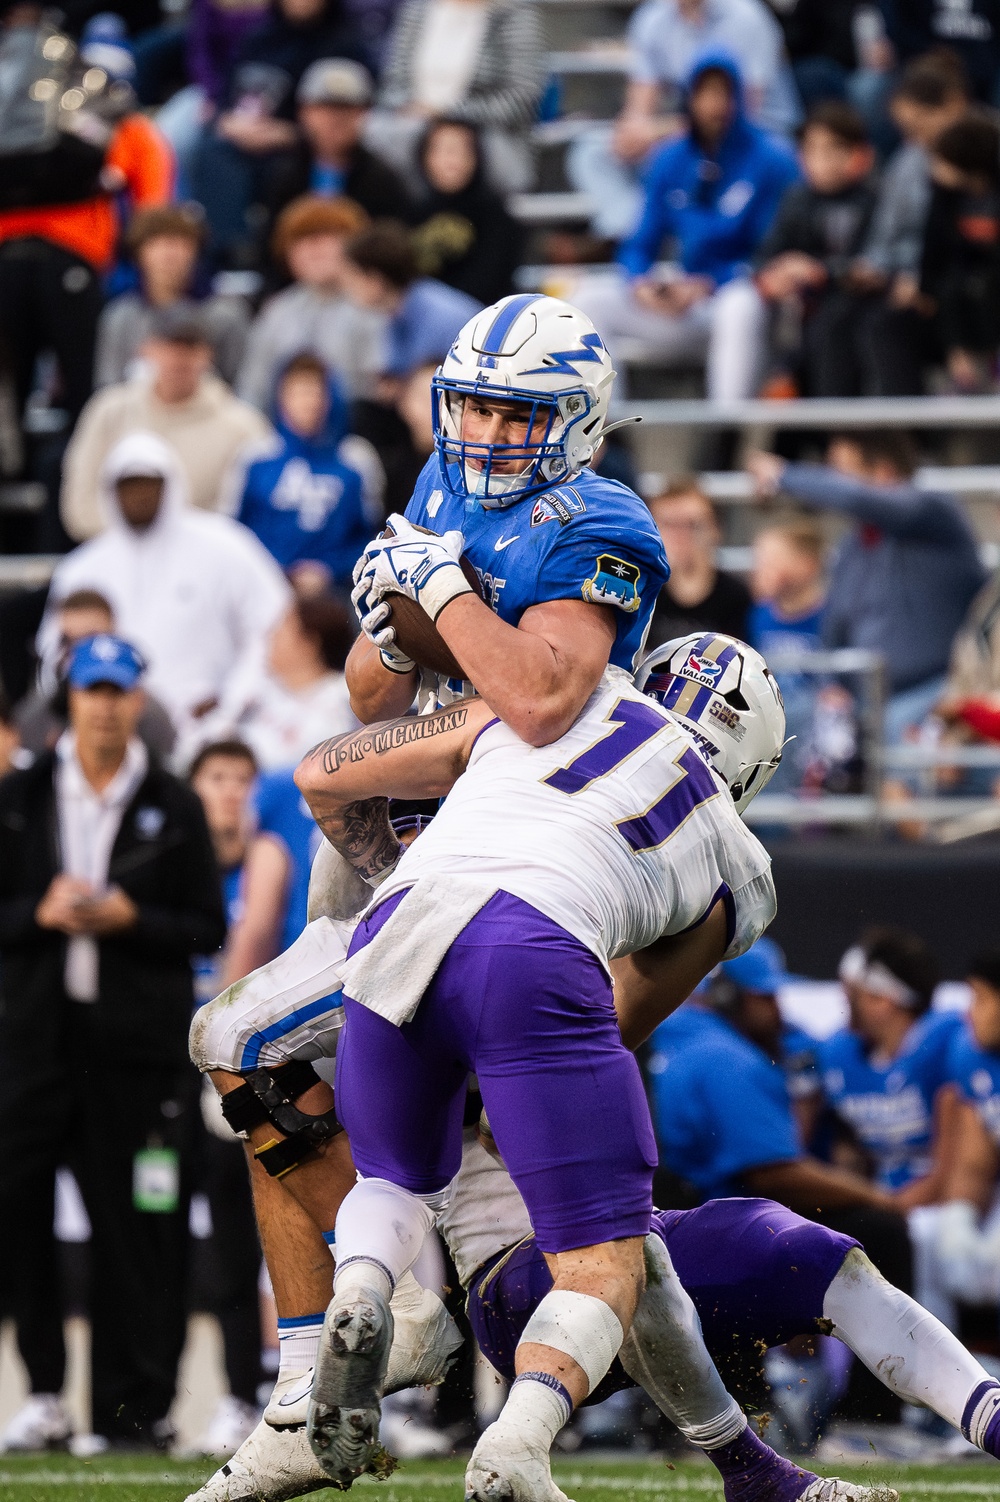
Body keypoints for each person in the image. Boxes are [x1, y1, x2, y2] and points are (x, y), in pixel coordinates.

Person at [192, 635, 788, 1500]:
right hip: (527, 970)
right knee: (615, 1257)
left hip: (394, 947)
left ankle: (355, 1321)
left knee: (294, 1098)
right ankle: (530, 1434)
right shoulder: (730, 847)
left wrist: (405, 879)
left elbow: (325, 767)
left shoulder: (550, 706)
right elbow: (617, 1015)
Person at [0, 633, 225, 1452]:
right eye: (90, 689)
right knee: (19, 1218)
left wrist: (134, 920)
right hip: (34, 1047)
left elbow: (207, 922)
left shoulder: (172, 797)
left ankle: (135, 1408)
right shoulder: (20, 798)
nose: (103, 705)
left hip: (135, 1057)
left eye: (117, 690)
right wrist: (37, 913)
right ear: (71, 698)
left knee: (141, 1226)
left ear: (137, 700)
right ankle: (47, 1394)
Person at [42, 432, 291, 755]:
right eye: (128, 485)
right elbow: (52, 658)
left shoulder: (224, 546)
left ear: (170, 484)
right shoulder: (81, 570)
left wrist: (231, 705)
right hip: (109, 735)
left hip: (212, 735)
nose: (139, 495)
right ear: (110, 490)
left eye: (148, 484)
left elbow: (275, 624)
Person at [571, 56, 799, 401]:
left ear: (739, 97)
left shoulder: (773, 159)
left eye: (723, 94)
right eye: (705, 94)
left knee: (740, 306)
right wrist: (641, 282)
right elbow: (639, 243)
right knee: (588, 300)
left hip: (746, 296)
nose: (714, 106)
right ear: (690, 99)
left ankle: (728, 434)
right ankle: (603, 436)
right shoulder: (671, 158)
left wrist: (711, 282)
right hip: (688, 301)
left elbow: (774, 251)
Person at [0, 11, 173, 453]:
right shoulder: (129, 127)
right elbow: (154, 209)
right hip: (71, 259)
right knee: (79, 385)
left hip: (31, 261)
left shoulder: (25, 112)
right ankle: (78, 465)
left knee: (24, 391)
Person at [747, 431, 986, 744]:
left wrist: (785, 475)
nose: (832, 485)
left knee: (895, 729)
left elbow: (857, 498)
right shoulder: (854, 545)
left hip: (936, 694)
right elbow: (835, 626)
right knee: (790, 727)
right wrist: (832, 685)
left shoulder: (934, 511)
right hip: (865, 702)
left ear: (883, 471)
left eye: (841, 473)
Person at [187, 739, 267, 1459]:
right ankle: (234, 1394)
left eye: (243, 779)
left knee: (262, 1236)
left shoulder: (271, 866)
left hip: (251, 1069)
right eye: (216, 778)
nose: (231, 792)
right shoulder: (179, 868)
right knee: (213, 1248)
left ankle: (272, 1390)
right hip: (174, 1077)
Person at [566, 0, 797, 242]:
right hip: (688, 133)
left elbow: (739, 114)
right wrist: (632, 133)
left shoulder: (747, 17)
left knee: (691, 161)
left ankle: (695, 242)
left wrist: (656, 132)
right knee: (592, 150)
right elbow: (639, 107)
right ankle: (634, 233)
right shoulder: (652, 17)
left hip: (759, 134)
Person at [62, 306, 272, 542]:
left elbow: (257, 509)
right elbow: (80, 505)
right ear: (147, 350)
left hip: (205, 561)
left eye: (189, 349)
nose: (177, 360)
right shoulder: (109, 412)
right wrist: (136, 537)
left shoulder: (243, 426)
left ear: (207, 355)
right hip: (118, 553)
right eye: (167, 347)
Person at [189, 0, 367, 267]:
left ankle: (272, 260)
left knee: (283, 172)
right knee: (212, 152)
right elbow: (227, 94)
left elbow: (344, 111)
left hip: (298, 144)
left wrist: (289, 133)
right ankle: (227, 258)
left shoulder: (344, 43)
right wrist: (227, 121)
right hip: (244, 134)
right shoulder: (258, 37)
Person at [849, 52, 970, 396]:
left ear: (953, 106)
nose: (916, 139)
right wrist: (875, 269)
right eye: (906, 130)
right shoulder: (907, 163)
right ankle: (845, 442)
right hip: (908, 282)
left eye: (920, 126)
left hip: (966, 284)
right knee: (844, 318)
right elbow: (884, 241)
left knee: (889, 326)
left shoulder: (984, 152)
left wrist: (925, 282)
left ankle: (910, 441)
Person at [817, 928, 962, 1207]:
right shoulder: (840, 1053)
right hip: (888, 1199)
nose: (846, 1002)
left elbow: (957, 1164)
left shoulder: (943, 1044)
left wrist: (888, 1213)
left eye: (856, 993)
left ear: (882, 999)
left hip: (948, 1209)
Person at [751, 102, 879, 397]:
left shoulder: (873, 199)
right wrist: (775, 272)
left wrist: (819, 271)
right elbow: (766, 254)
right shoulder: (796, 199)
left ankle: (832, 431)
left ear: (858, 154)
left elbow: (872, 261)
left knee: (831, 325)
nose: (821, 160)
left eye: (833, 149)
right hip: (799, 307)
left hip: (852, 305)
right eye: (812, 150)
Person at [363, 0, 544, 193]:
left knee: (456, 149)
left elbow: (520, 98)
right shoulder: (416, 10)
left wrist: (446, 113)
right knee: (374, 132)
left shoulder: (515, 14)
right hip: (413, 122)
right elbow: (392, 82)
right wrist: (411, 108)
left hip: (486, 130)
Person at [233, 351, 380, 584]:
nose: (309, 403)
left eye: (316, 392)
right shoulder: (255, 458)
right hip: (262, 583)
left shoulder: (356, 459)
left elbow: (374, 539)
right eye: (298, 393)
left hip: (336, 591)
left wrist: (329, 570)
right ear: (281, 398)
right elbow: (233, 530)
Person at [238, 196, 386, 409]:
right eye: (300, 241)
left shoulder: (374, 307)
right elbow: (252, 391)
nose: (313, 249)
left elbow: (381, 390)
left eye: (326, 237)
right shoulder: (278, 311)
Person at [95, 205, 251, 388]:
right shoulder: (121, 315)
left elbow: (241, 383)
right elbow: (108, 385)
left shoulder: (226, 314)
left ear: (196, 252)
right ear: (138, 253)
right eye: (156, 244)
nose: (168, 254)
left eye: (180, 244)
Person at [261, 58, 416, 239]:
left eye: (347, 109)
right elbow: (267, 246)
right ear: (303, 112)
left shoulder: (383, 182)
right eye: (325, 108)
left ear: (365, 114)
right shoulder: (282, 176)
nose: (335, 120)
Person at [17, 588, 176, 761]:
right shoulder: (39, 715)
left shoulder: (150, 715)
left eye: (91, 639)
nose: (78, 650)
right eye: (68, 641)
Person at [341, 220, 481, 390]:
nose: (346, 286)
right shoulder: (398, 310)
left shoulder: (440, 317)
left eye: (352, 277)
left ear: (375, 280)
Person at [920, 109, 1000, 393]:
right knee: (953, 286)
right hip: (958, 293)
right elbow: (934, 259)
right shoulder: (944, 199)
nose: (935, 167)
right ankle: (958, 359)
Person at [233, 594, 356, 769]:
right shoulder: (260, 695)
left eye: (281, 629)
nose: (271, 636)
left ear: (310, 644)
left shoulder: (345, 701)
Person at [411, 117, 522, 306]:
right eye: (442, 150)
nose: (451, 159)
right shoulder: (412, 211)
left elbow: (489, 283)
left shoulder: (495, 214)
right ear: (424, 156)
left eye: (461, 150)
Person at [646, 479, 751, 648]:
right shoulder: (641, 591)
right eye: (669, 524)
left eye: (692, 525)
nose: (680, 536)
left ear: (715, 529)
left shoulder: (736, 598)